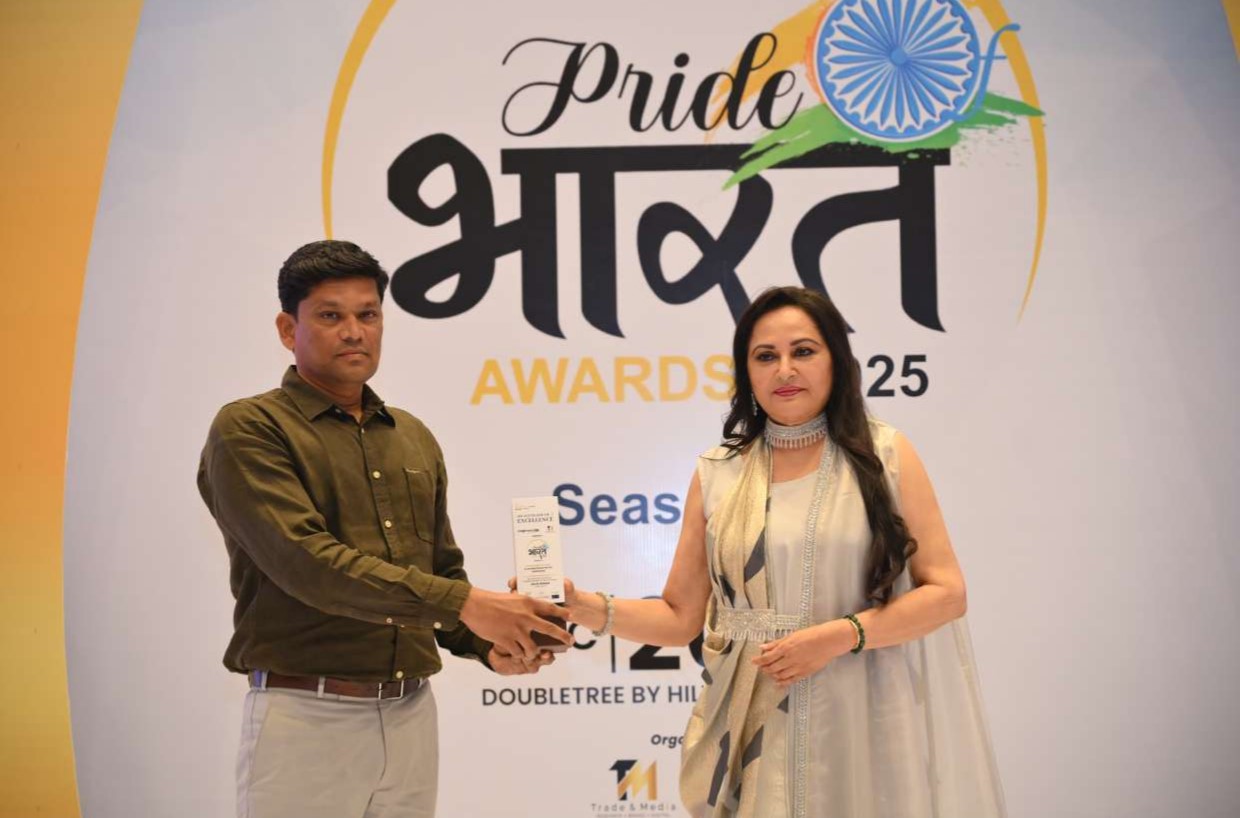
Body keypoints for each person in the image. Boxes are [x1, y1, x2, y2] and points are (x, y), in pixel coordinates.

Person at [561, 287, 1005, 818]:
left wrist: (840, 636)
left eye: (804, 351)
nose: (785, 369)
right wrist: (585, 606)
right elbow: (680, 617)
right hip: (749, 720)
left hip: (861, 714)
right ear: (746, 373)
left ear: (836, 360)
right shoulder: (718, 472)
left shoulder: (886, 454)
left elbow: (947, 594)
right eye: (766, 356)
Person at [197, 239, 571, 818]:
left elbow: (440, 572)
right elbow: (310, 565)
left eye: (368, 315)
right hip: (307, 717)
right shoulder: (250, 427)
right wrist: (471, 605)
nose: (354, 332)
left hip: (410, 715)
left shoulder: (411, 435)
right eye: (331, 315)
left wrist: (491, 645)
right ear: (287, 328)